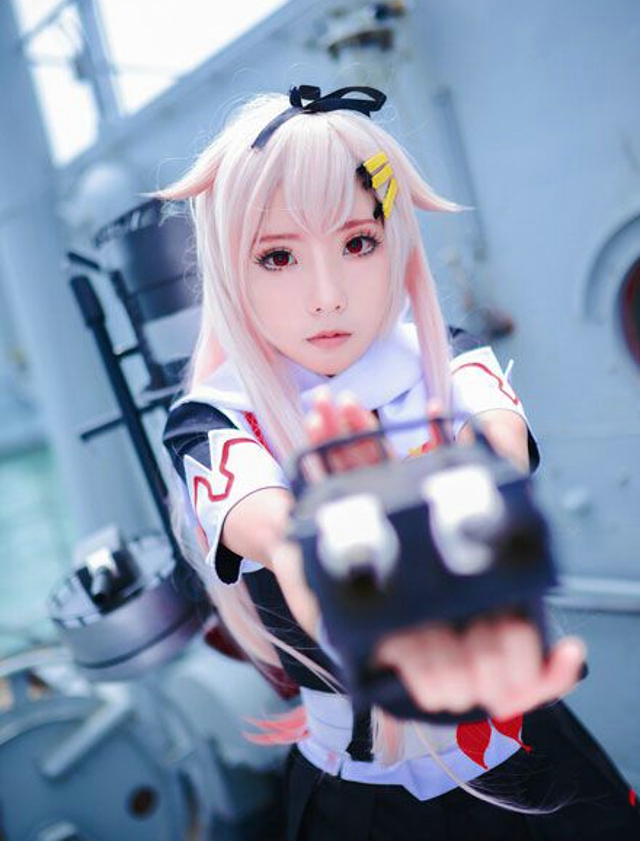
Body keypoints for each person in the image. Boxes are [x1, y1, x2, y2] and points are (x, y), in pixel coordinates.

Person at [160, 86, 640, 839]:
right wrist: (359, 590)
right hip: (361, 799)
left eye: (358, 243)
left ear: (397, 242)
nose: (326, 296)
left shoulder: (444, 358)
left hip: (524, 755)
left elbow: (501, 451)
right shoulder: (215, 419)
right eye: (277, 256)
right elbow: (282, 541)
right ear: (228, 267)